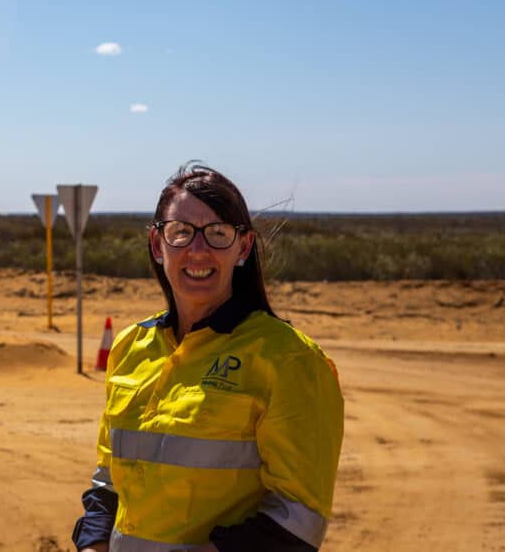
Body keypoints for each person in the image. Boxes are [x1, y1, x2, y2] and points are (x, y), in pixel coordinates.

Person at [72, 163, 343, 552]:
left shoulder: (289, 360)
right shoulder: (131, 347)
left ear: (243, 247)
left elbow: (298, 519)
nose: (198, 250)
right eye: (180, 233)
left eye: (217, 234)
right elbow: (107, 480)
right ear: (157, 244)